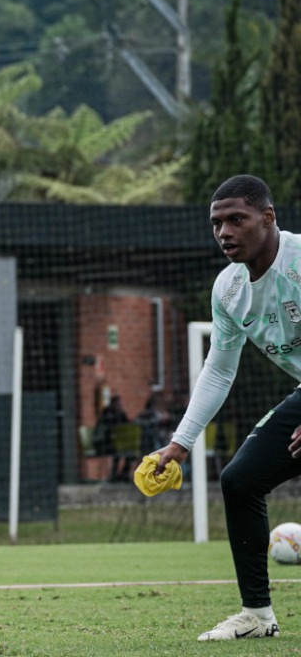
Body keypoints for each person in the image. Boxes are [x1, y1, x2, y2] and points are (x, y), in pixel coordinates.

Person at [155, 173, 300, 641]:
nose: (224, 232)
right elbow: (218, 372)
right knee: (239, 480)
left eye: (237, 220)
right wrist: (180, 443)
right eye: (217, 223)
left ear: (268, 217)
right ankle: (257, 616)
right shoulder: (229, 290)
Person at [96, 395, 130, 481]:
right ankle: (114, 475)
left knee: (131, 453)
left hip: (120, 443)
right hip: (105, 444)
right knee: (117, 452)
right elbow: (104, 430)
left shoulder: (121, 414)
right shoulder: (106, 414)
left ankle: (124, 474)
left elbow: (128, 426)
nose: (119, 406)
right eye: (117, 404)